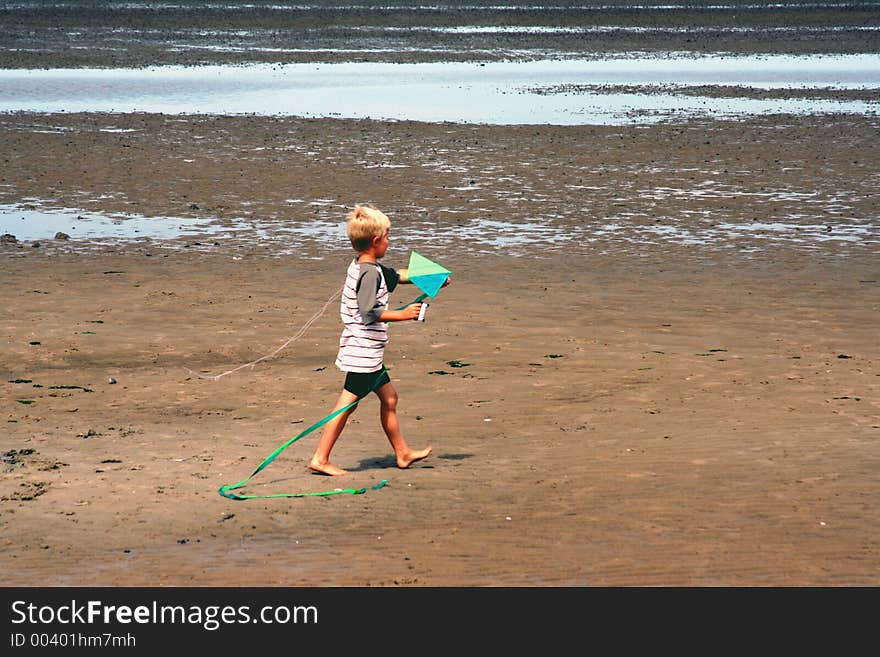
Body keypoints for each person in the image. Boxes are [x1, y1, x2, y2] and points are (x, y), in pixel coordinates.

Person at [309, 204, 442, 476]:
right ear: (376, 241)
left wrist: (435, 277)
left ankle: (402, 453)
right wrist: (403, 315)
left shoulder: (368, 266)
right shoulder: (369, 273)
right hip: (362, 353)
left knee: (390, 399)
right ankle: (320, 459)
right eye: (388, 237)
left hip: (368, 353)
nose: (390, 242)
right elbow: (369, 312)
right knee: (345, 406)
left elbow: (397, 276)